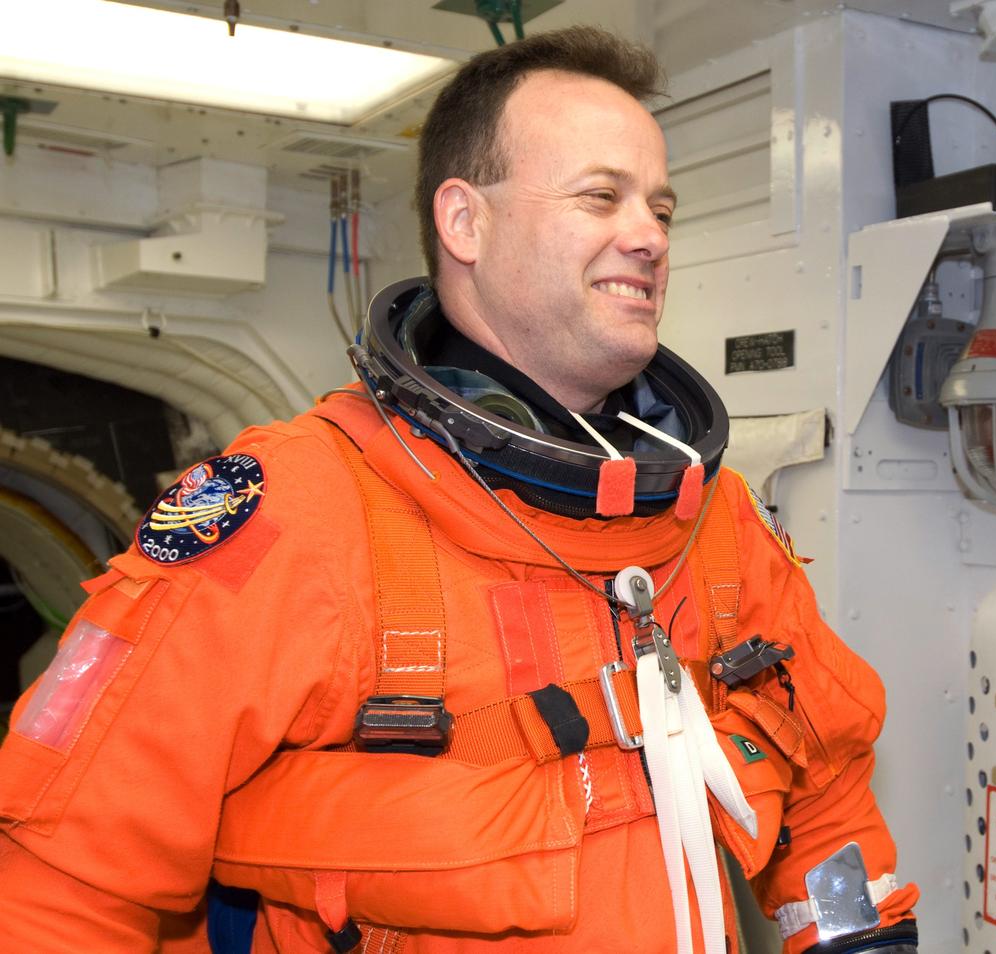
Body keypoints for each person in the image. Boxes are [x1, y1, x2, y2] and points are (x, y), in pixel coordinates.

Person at [0, 26, 920, 954]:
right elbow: (61, 880)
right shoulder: (302, 512)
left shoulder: (706, 520)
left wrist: (857, 938)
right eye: (601, 196)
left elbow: (824, 794)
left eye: (662, 209)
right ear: (464, 222)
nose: (647, 236)